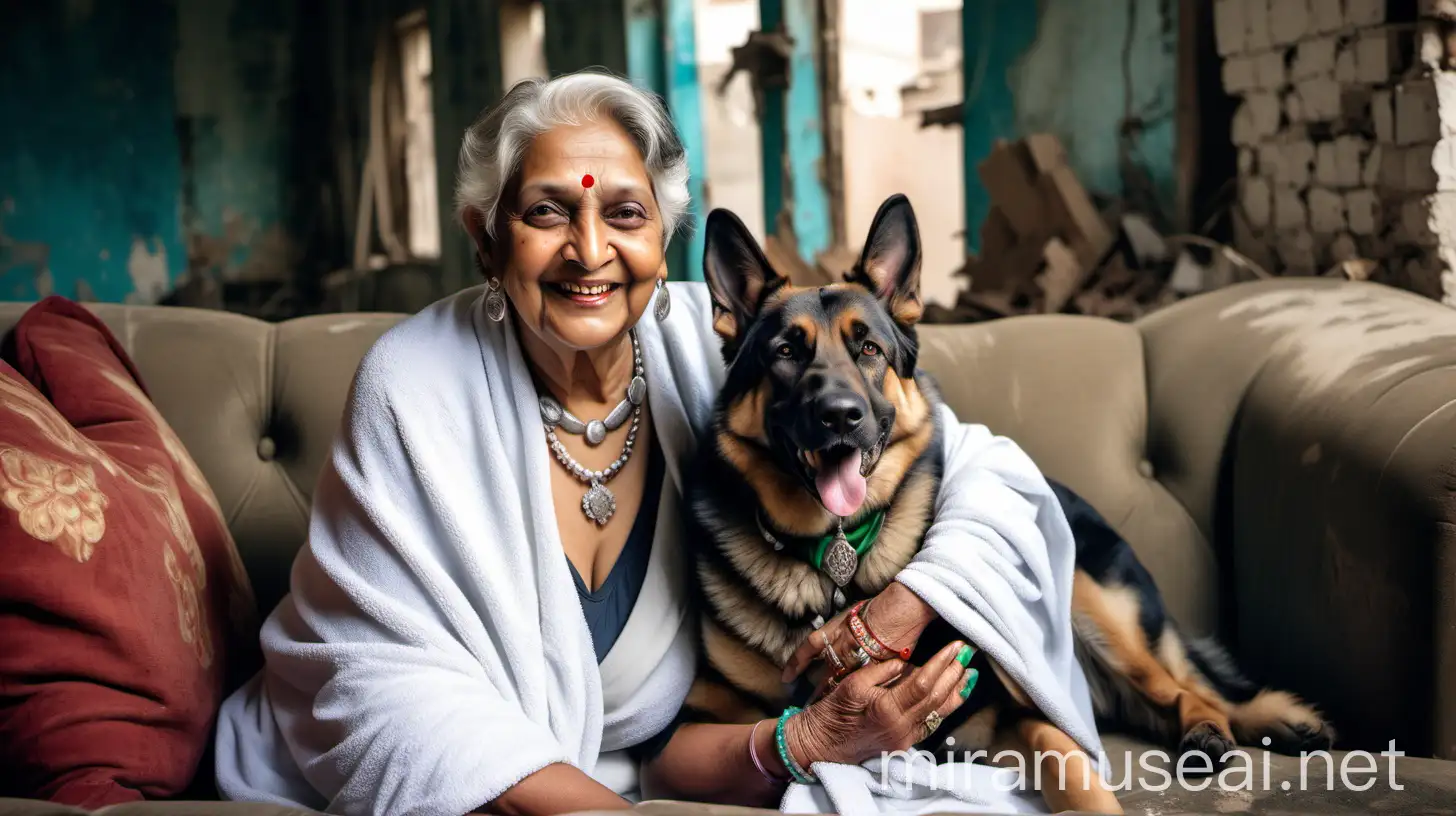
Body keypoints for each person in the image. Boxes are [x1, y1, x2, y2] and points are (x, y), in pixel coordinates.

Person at [213, 70, 1103, 815]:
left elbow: (982, 470)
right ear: (486, 239)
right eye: (547, 214)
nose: (588, 250)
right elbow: (373, 689)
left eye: (625, 214)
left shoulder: (721, 346)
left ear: (665, 237)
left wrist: (906, 601)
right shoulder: (410, 385)